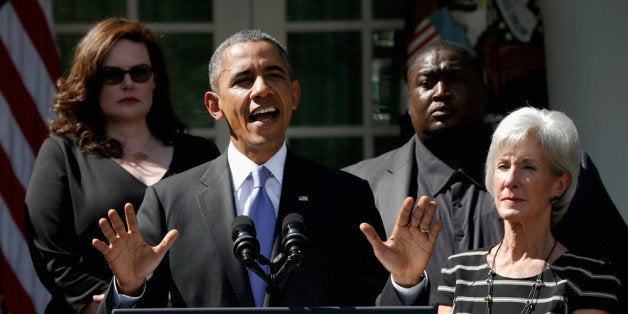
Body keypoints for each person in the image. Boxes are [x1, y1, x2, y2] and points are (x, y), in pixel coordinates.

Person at [90, 29, 440, 312]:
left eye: (274, 75)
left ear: (294, 94)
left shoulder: (345, 195)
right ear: (215, 105)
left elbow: (375, 306)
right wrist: (130, 289)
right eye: (243, 80)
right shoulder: (170, 201)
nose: (262, 89)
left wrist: (405, 283)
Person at [343, 39, 627, 309]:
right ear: (408, 100)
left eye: (454, 78)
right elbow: (349, 298)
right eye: (427, 82)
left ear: (484, 90)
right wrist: (405, 284)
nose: (440, 91)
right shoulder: (361, 185)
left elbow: (616, 273)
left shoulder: (566, 172)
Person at [24, 18, 220, 314]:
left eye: (140, 73)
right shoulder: (62, 153)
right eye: (112, 75)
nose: (128, 83)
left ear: (155, 79)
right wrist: (111, 303)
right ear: (92, 82)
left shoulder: (199, 154)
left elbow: (219, 242)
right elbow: (52, 255)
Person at [435, 106, 620, 312]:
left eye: (528, 167)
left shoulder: (591, 279)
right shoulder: (458, 271)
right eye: (503, 166)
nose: (511, 180)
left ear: (560, 184)